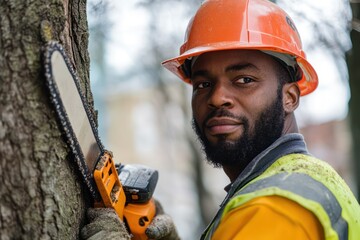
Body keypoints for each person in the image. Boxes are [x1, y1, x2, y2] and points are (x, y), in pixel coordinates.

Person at [82, 0, 360, 239]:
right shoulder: (302, 181)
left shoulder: (272, 207)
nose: (217, 98)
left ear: (290, 97)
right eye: (203, 84)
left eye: (244, 80)